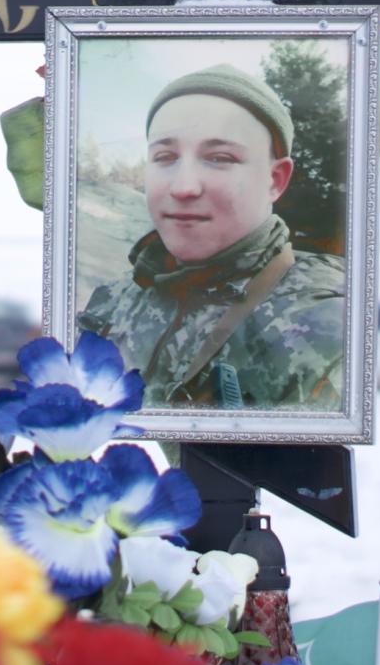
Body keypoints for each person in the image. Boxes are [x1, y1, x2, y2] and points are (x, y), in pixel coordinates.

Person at [80, 64, 347, 410]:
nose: (184, 186)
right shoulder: (111, 301)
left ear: (275, 180)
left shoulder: (324, 321)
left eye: (220, 158)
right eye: (164, 157)